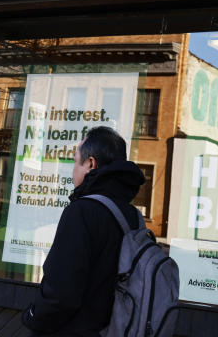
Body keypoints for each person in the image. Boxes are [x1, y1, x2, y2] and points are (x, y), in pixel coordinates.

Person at [22, 125, 146, 336]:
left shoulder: (81, 212)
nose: (72, 169)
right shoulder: (134, 216)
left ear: (90, 164)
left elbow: (60, 294)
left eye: (75, 161)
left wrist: (33, 316)